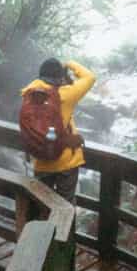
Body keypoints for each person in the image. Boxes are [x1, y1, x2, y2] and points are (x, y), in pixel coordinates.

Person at [20, 57, 95, 202]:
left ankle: (43, 224)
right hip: (67, 160)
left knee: (42, 204)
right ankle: (65, 225)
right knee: (66, 206)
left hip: (41, 159)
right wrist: (69, 63)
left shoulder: (29, 93)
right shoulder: (67, 93)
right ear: (60, 77)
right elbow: (90, 77)